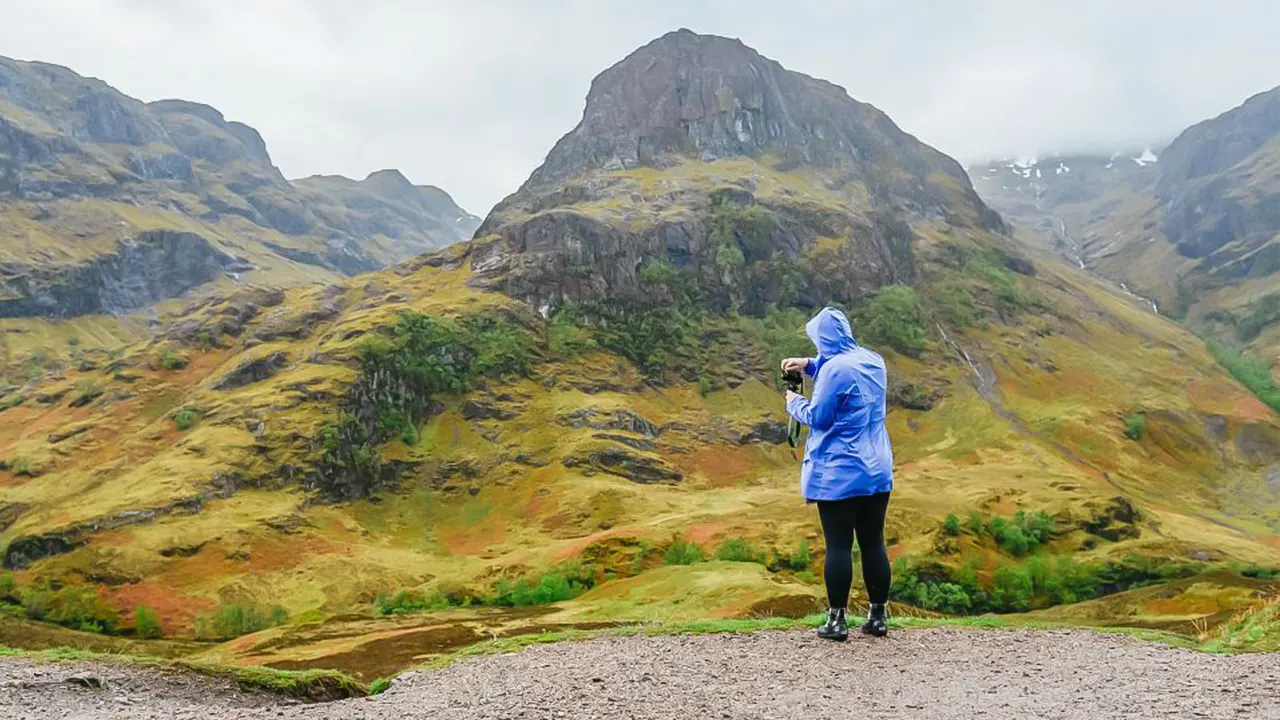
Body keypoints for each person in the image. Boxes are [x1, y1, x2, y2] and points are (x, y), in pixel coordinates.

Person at [781, 306, 894, 642]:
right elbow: (844, 374)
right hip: (876, 468)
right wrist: (809, 364)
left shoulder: (834, 372)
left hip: (839, 473)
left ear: (823, 338)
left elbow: (819, 417)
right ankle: (877, 617)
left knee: (839, 547)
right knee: (874, 543)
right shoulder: (873, 360)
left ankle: (836, 621)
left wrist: (792, 402)